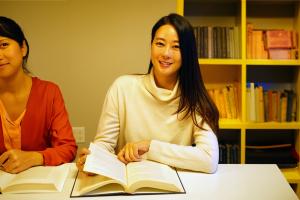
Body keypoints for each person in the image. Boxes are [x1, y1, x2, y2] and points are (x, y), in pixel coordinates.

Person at [77, 13, 219, 173]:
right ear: (151, 47)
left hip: (174, 186)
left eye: (176, 46)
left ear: (187, 54)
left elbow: (209, 160)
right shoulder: (122, 88)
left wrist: (149, 146)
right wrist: (94, 160)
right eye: (160, 43)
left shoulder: (194, 98)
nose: (166, 53)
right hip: (128, 185)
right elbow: (104, 144)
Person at [0, 16, 77, 174]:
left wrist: (35, 158)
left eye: (4, 45)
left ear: (23, 48)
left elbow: (68, 148)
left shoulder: (49, 92)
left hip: (39, 186)